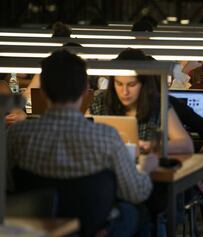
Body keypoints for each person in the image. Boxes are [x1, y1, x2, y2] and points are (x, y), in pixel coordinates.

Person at [7, 50, 158, 236]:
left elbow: (7, 187)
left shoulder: (16, 135)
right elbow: (135, 193)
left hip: (37, 228)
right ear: (85, 89)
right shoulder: (107, 137)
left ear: (42, 91)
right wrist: (146, 169)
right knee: (136, 213)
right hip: (94, 229)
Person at [89, 49, 194, 154]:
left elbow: (186, 145)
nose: (125, 92)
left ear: (143, 84)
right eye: (119, 84)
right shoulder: (99, 102)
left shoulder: (158, 105)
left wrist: (151, 146)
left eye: (131, 85)